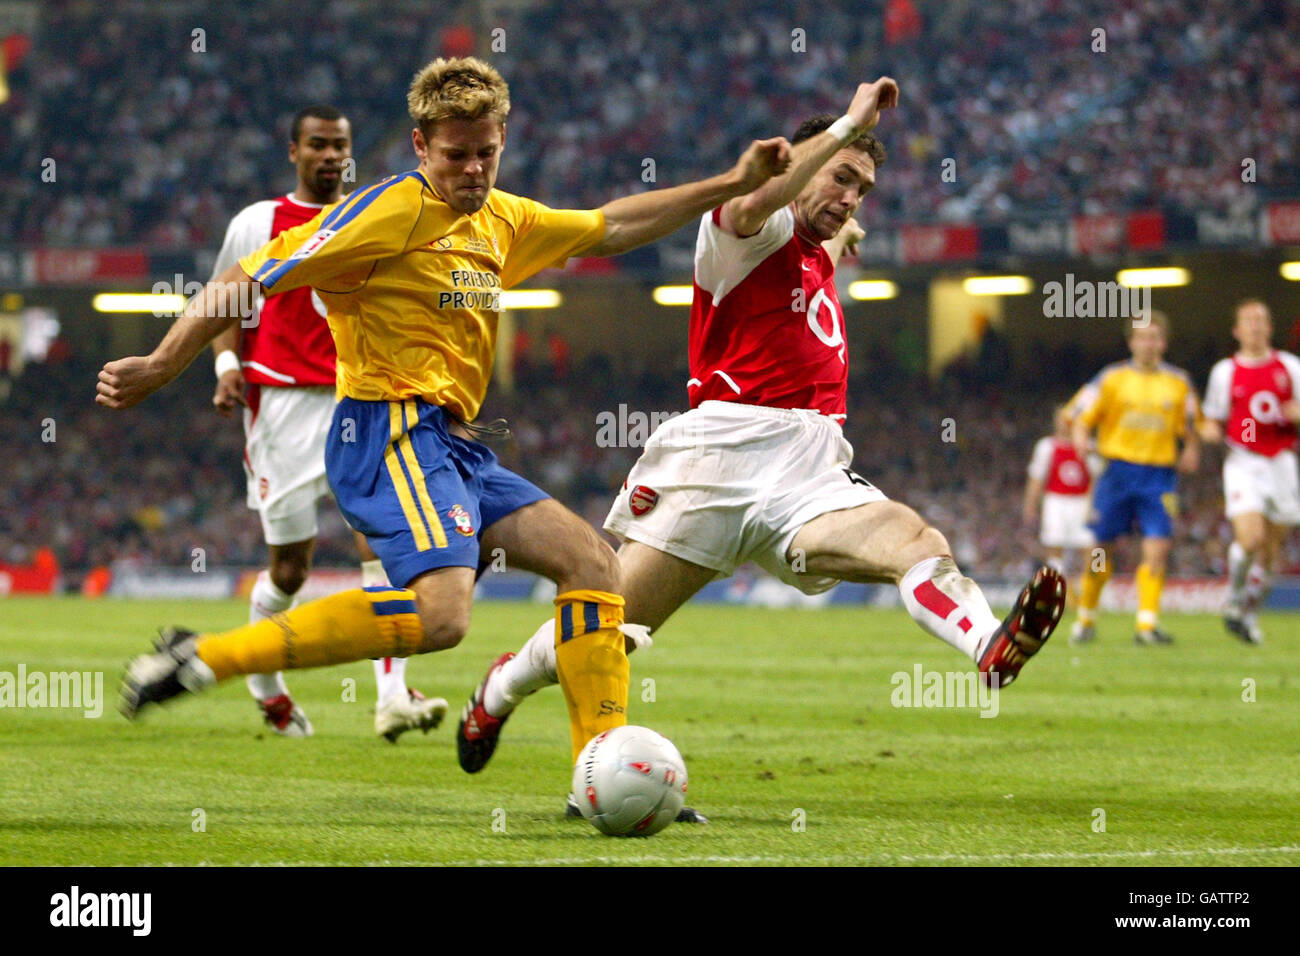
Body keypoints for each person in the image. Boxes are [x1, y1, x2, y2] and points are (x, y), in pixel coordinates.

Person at [98, 56, 791, 774]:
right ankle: (204, 658)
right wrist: (162, 363)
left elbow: (610, 226)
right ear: (421, 146)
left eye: (487, 153)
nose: (474, 170)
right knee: (442, 619)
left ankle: (597, 770)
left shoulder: (504, 219)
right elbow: (247, 277)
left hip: (453, 444)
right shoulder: (383, 213)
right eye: (456, 155)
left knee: (592, 565)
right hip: (385, 430)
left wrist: (734, 184)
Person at [454, 81, 1067, 820]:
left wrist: (845, 228)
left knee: (915, 538)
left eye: (863, 188)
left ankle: (988, 649)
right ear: (810, 166)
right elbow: (756, 204)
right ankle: (500, 688)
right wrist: (847, 125)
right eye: (841, 176)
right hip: (718, 457)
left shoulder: (817, 251)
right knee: (608, 629)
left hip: (810, 472)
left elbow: (833, 234)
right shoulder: (748, 231)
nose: (849, 196)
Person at [208, 104, 447, 740]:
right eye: (316, 144)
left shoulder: (374, 214)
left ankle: (391, 695)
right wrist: (227, 363)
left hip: (360, 404)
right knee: (290, 570)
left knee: (386, 549)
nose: (329, 155)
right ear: (293, 151)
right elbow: (224, 299)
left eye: (339, 144)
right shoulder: (258, 222)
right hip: (281, 407)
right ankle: (264, 682)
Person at [1069, 311, 1201, 645]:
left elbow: (1192, 425)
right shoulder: (1110, 379)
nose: (1148, 343)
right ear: (1131, 342)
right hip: (1116, 473)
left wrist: (1192, 448)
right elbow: (1080, 417)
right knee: (1100, 550)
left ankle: (1146, 625)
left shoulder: (1179, 382)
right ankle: (1086, 617)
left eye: (1154, 337)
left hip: (1159, 476)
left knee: (1157, 548)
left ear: (1164, 342)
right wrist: (1082, 436)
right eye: (1142, 337)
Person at [1199, 298, 1300, 644]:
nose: (1256, 326)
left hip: (1282, 462)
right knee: (1250, 538)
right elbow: (1213, 418)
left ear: (1270, 328)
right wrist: (1210, 431)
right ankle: (1235, 599)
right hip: (1244, 461)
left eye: (1261, 319)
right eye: (1249, 320)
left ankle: (1247, 614)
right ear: (1237, 330)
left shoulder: (1290, 366)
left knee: (1271, 553)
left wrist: (1295, 413)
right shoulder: (1225, 372)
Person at [1023, 406, 1094, 578]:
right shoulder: (1047, 446)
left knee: (1090, 547)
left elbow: (1095, 478)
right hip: (1055, 500)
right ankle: (1058, 586)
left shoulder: (1089, 447)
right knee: (1054, 545)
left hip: (1082, 501)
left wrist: (1095, 506)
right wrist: (1030, 505)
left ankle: (1088, 589)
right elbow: (1037, 478)